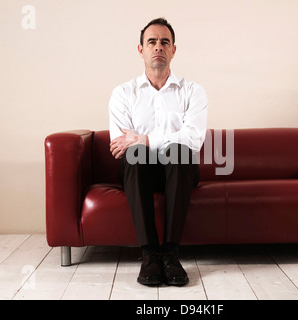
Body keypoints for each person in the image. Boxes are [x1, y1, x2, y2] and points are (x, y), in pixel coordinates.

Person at [108, 18, 208, 286]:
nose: (158, 47)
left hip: (180, 171)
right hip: (140, 172)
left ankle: (171, 253)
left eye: (165, 42)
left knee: (178, 151)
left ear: (174, 49)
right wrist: (142, 144)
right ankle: (150, 254)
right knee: (135, 155)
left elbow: (193, 140)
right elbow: (121, 144)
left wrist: (144, 139)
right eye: (151, 42)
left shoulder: (193, 91)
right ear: (140, 49)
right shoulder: (123, 93)